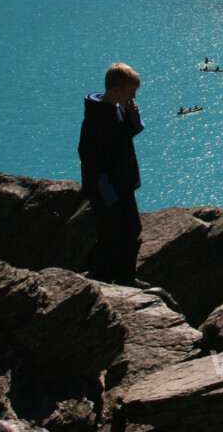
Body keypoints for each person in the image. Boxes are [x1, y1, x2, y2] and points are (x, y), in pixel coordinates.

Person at [79, 62, 146, 285]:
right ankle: (103, 276)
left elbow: (132, 131)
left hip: (124, 183)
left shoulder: (118, 108)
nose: (133, 96)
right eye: (130, 92)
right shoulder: (97, 118)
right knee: (110, 232)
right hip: (107, 187)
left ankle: (127, 277)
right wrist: (105, 189)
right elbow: (90, 156)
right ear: (116, 90)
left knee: (131, 229)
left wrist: (133, 115)